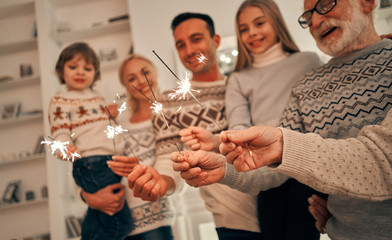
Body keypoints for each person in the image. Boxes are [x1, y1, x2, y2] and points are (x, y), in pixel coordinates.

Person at [172, 0, 392, 239]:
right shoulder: (305, 87)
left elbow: (380, 158)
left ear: (367, 2)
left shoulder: (307, 64)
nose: (316, 21)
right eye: (308, 17)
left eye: (326, 4)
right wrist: (225, 168)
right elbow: (268, 157)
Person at [179, 1, 324, 239]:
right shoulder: (238, 78)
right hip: (266, 175)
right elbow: (239, 129)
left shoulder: (308, 62)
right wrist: (217, 141)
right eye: (244, 29)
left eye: (259, 23)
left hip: (305, 172)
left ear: (275, 22)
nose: (252, 33)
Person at [128, 12, 262, 239]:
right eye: (181, 45)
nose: (189, 50)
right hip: (234, 222)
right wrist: (164, 183)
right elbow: (168, 159)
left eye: (196, 39)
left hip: (283, 208)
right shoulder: (168, 102)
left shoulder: (245, 87)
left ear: (216, 41)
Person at [80, 54, 176, 240]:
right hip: (113, 225)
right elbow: (87, 164)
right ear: (126, 87)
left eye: (145, 72)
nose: (141, 81)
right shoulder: (118, 124)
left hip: (155, 224)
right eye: (131, 78)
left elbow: (177, 170)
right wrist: (86, 196)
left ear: (155, 73)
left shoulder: (171, 117)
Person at [48, 42, 133, 240]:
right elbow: (60, 132)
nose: (80, 72)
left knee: (102, 217)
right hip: (91, 163)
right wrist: (65, 149)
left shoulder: (97, 98)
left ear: (95, 73)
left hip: (109, 162)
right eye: (73, 67)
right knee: (119, 223)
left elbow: (104, 130)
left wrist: (113, 116)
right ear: (61, 70)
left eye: (87, 68)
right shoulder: (60, 100)